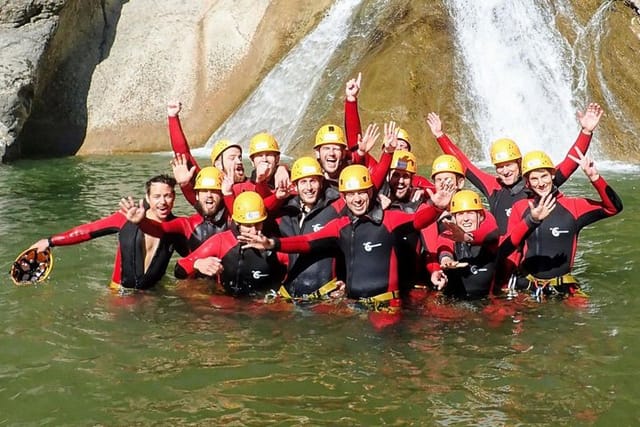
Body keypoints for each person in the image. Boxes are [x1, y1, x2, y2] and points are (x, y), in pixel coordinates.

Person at [240, 164, 456, 313]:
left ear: (370, 193)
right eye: (351, 194)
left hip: (385, 308)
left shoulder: (390, 219)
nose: (357, 199)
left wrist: (436, 207)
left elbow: (418, 221)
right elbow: (307, 241)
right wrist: (272, 243)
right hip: (352, 307)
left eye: (361, 192)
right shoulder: (340, 225)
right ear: (343, 196)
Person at [426, 103, 604, 234]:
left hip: (531, 260)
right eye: (500, 167)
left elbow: (570, 162)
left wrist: (586, 132)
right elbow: (464, 165)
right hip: (505, 257)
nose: (505, 171)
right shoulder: (494, 187)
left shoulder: (536, 182)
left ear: (519, 163)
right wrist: (440, 136)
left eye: (509, 164)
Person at [497, 149, 623, 301]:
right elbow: (507, 247)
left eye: (544, 176)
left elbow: (613, 208)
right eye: (534, 179)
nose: (541, 183)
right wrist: (532, 219)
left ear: (552, 175)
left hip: (562, 288)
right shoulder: (521, 208)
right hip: (527, 286)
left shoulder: (573, 207)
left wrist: (594, 177)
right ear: (528, 183)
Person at [30, 175, 187, 290]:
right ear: (148, 197)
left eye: (167, 196)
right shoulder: (125, 217)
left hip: (152, 296)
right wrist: (50, 241)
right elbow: (87, 231)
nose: (162, 202)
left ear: (174, 197)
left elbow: (193, 256)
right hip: (119, 292)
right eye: (157, 196)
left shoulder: (178, 228)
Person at [173, 191, 285, 297]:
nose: (254, 231)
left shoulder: (272, 244)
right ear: (237, 223)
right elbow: (179, 269)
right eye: (248, 226)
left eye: (258, 224)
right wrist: (197, 264)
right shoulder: (222, 241)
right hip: (227, 304)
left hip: (261, 306)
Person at [275, 156, 346, 300]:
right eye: (303, 182)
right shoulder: (286, 212)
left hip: (324, 297)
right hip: (289, 295)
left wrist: (347, 282)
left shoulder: (336, 208)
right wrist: (281, 168)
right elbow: (256, 213)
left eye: (313, 181)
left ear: (320, 183)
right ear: (295, 186)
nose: (308, 188)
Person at [123, 167, 230, 254]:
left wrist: (229, 195)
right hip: (195, 279)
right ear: (197, 195)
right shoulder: (187, 224)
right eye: (204, 191)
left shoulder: (232, 221)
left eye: (214, 191)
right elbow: (160, 229)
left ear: (222, 194)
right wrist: (141, 222)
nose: (209, 195)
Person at [430, 190, 499, 299]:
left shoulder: (489, 238)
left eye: (470, 213)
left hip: (484, 302)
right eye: (460, 214)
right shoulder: (447, 235)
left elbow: (492, 232)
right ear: (454, 218)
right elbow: (444, 246)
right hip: (453, 302)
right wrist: (446, 260)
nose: (466, 218)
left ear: (480, 217)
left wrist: (466, 237)